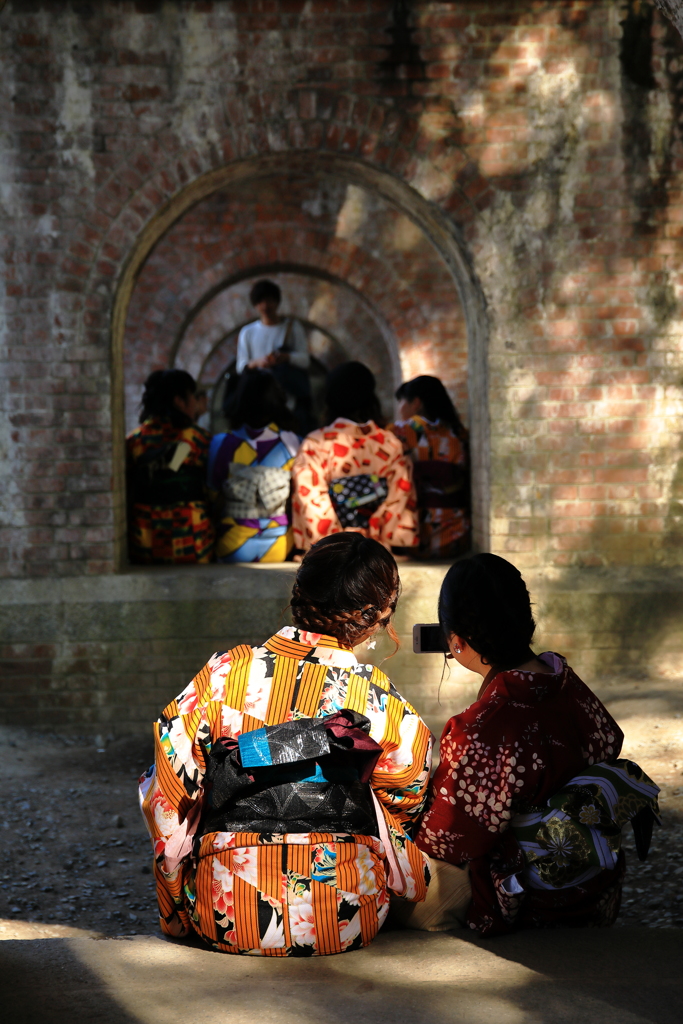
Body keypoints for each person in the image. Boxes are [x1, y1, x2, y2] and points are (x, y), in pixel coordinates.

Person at [139, 533, 433, 956]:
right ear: (374, 618)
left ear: (299, 592)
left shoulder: (224, 675)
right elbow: (409, 790)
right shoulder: (378, 699)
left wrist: (175, 906)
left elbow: (165, 796)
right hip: (348, 919)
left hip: (225, 920)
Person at [395, 553, 659, 936]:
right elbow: (609, 739)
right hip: (595, 887)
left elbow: (448, 840)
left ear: (455, 641)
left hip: (530, 903)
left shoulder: (488, 725)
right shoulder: (563, 680)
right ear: (525, 620)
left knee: (394, 877)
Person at [291, 362, 418, 553]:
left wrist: (333, 544)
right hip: (376, 548)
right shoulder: (391, 444)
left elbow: (310, 498)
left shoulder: (315, 443)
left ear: (330, 399)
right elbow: (400, 496)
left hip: (330, 550)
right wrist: (379, 538)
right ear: (371, 398)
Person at [208, 369, 301, 562]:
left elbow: (211, 496)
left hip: (232, 547)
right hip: (280, 546)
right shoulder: (292, 444)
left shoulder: (220, 443)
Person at [126, 369, 214, 564]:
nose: (195, 403)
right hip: (193, 546)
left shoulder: (134, 442)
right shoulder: (200, 439)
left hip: (144, 547)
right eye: (192, 397)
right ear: (179, 402)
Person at [390, 375, 470, 558]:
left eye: (401, 401)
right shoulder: (458, 433)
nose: (400, 408)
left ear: (416, 403)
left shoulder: (398, 433)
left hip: (412, 535)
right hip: (457, 533)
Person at [236, 279, 313, 434]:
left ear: (277, 302)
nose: (265, 306)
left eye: (269, 300)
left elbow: (305, 361)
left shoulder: (292, 327)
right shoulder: (248, 332)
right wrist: (257, 363)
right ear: (255, 305)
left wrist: (286, 358)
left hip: (289, 397)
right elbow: (241, 366)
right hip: (259, 400)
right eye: (260, 302)